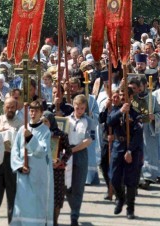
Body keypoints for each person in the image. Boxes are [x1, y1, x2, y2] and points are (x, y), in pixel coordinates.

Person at [11, 100, 54, 226]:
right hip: (24, 174)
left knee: (36, 204)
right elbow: (15, 151)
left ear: (41, 113)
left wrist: (30, 137)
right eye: (31, 110)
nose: (33, 113)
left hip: (38, 175)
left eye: (36, 111)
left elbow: (42, 152)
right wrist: (19, 166)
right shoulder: (21, 130)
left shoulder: (45, 131)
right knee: (23, 203)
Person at [106, 87, 143, 220]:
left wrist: (130, 150)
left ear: (131, 97)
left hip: (131, 149)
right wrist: (121, 111)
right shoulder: (115, 110)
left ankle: (130, 209)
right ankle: (121, 198)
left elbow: (138, 135)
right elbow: (109, 122)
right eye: (121, 94)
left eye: (125, 94)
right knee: (114, 178)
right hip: (117, 147)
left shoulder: (135, 113)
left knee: (130, 181)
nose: (122, 96)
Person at [0, 97, 23, 225]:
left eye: (12, 107)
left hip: (12, 161)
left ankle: (12, 223)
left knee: (12, 197)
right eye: (8, 107)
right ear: (4, 107)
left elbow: (22, 143)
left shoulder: (20, 122)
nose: (10, 110)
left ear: (16, 108)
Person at [65, 94, 94, 226]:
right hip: (67, 153)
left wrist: (74, 150)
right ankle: (73, 207)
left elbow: (88, 140)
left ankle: (74, 215)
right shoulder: (66, 120)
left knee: (78, 186)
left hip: (80, 153)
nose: (80, 110)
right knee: (67, 185)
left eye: (82, 108)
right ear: (73, 105)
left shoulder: (88, 121)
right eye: (77, 107)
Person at [42, 111, 72, 226]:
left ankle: (55, 221)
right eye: (42, 121)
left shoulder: (61, 135)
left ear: (51, 122)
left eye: (46, 121)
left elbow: (68, 151)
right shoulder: (38, 134)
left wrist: (61, 161)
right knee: (44, 196)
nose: (44, 124)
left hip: (57, 170)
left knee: (57, 197)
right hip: (43, 169)